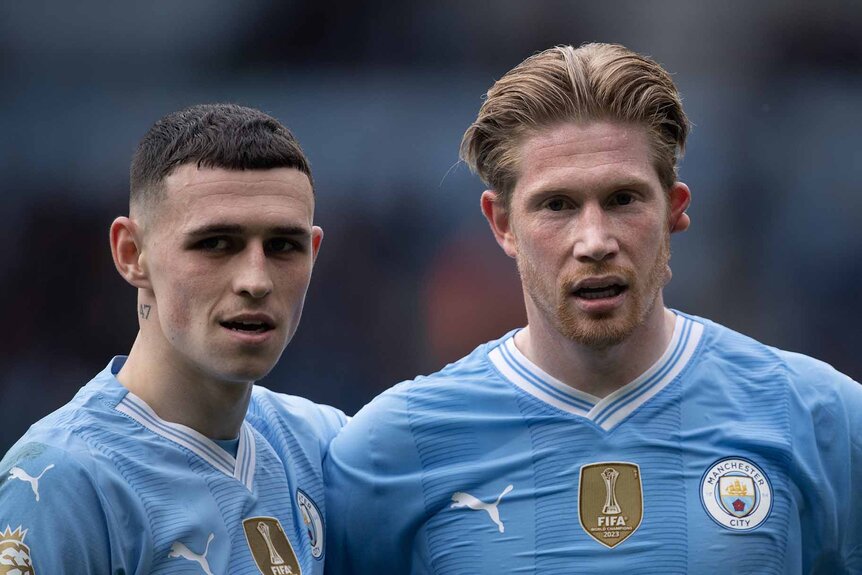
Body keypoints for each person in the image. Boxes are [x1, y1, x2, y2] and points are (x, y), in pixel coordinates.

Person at [324, 43, 862, 573]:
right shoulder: (391, 448)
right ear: (503, 224)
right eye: (557, 205)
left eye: (623, 199)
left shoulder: (821, 418)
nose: (594, 240)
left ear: (674, 209)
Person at [0, 104, 346, 574]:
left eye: (283, 245)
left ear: (314, 252)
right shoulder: (60, 480)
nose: (256, 280)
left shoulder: (326, 447)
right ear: (131, 253)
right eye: (216, 243)